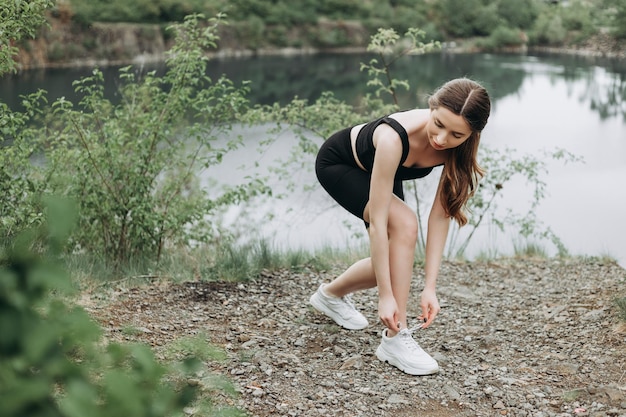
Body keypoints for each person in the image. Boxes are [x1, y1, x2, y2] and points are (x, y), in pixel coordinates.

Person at [310, 78, 491, 376]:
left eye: (456, 134)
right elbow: (378, 225)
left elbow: (440, 215)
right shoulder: (394, 138)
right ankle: (396, 337)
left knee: (397, 258)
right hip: (341, 165)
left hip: (383, 171)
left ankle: (329, 296)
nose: (442, 139)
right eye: (438, 124)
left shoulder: (459, 146)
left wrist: (430, 287)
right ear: (431, 107)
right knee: (404, 225)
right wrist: (385, 296)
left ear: (472, 133)